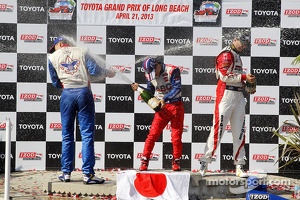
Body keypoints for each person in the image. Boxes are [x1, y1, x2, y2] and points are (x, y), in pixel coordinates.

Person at [48, 36, 116, 184]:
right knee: (87, 135)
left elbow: (55, 82)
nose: (55, 49)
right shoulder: (82, 50)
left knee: (67, 135)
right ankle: (88, 174)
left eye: (55, 47)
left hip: (67, 95)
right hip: (84, 93)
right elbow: (94, 70)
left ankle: (66, 173)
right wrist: (108, 72)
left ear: (59, 44)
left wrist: (67, 85)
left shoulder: (52, 57)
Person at [199, 31, 256, 178]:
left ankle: (239, 166)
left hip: (238, 96)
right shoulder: (226, 54)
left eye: (246, 44)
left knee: (239, 132)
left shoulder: (237, 55)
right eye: (242, 43)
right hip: (226, 95)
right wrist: (243, 76)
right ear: (235, 40)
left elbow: (235, 77)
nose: (244, 46)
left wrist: (247, 84)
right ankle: (204, 162)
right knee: (218, 130)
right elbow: (224, 76)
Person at [131, 58, 184, 171]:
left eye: (154, 72)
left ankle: (176, 161)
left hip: (176, 106)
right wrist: (139, 88)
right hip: (161, 108)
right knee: (153, 135)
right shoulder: (149, 75)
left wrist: (165, 98)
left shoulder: (172, 70)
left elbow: (177, 88)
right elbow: (150, 91)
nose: (153, 76)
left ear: (157, 66)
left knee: (176, 137)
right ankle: (144, 161)